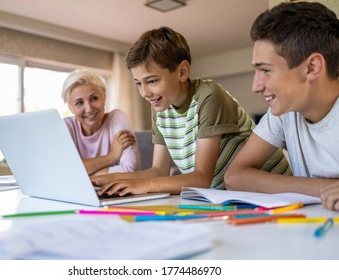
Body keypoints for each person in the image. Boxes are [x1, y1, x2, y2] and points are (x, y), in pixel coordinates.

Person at [92, 26, 291, 196]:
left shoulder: (208, 95)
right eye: (138, 83)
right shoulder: (160, 108)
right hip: (228, 196)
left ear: (182, 72)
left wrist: (143, 185)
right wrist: (108, 179)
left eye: (152, 81)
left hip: (272, 191)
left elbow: (201, 177)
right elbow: (158, 170)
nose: (144, 92)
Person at [224, 2, 339, 211]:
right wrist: (326, 187)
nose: (255, 86)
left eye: (266, 70)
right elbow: (235, 175)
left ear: (312, 67)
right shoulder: (286, 111)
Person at [61, 69, 140, 176]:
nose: (89, 109)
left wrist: (81, 175)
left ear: (104, 97)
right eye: (79, 103)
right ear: (70, 107)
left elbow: (131, 170)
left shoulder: (116, 118)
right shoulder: (67, 126)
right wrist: (112, 157)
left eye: (94, 98)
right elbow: (62, 172)